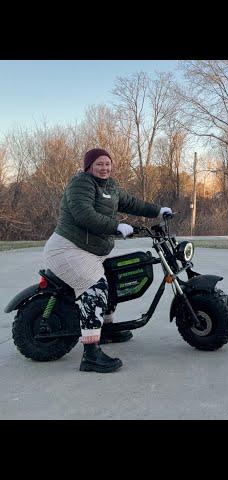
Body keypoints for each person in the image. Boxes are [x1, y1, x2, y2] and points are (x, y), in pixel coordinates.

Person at [43, 148, 172, 373]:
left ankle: (107, 331)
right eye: (99, 164)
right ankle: (91, 354)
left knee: (111, 278)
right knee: (96, 288)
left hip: (90, 251)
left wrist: (158, 211)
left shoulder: (110, 185)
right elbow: (83, 213)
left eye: (107, 164)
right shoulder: (80, 184)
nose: (104, 168)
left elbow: (132, 203)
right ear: (89, 166)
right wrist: (116, 226)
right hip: (67, 249)